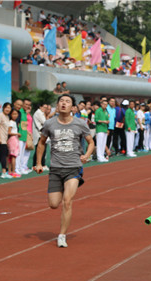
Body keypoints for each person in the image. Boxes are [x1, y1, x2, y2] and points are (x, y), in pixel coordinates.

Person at [34, 94, 95, 248]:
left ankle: (62, 235)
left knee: (67, 202)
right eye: (61, 101)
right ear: (57, 104)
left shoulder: (80, 123)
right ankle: (61, 189)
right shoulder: (49, 124)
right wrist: (39, 163)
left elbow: (90, 142)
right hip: (55, 168)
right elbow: (41, 143)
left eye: (67, 102)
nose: (64, 104)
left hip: (73, 167)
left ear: (72, 107)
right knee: (54, 204)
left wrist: (86, 155)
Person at [0, 102, 13, 179]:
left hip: (5, 138)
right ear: (3, 108)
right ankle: (4, 172)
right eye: (6, 107)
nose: (8, 109)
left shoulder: (7, 117)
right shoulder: (0, 115)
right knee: (4, 156)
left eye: (9, 108)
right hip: (1, 139)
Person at [7, 108, 21, 177]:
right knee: (13, 156)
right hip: (13, 139)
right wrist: (17, 134)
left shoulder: (14, 122)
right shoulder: (11, 122)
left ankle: (10, 171)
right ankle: (13, 171)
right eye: (13, 114)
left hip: (13, 139)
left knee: (11, 156)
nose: (15, 115)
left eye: (16, 114)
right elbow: (9, 132)